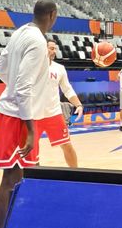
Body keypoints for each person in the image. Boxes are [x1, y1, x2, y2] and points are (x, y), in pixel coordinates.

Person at [0, 0, 57, 228]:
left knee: (17, 178)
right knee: (12, 179)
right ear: (52, 15)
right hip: (19, 118)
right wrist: (31, 130)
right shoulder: (38, 41)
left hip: (12, 112)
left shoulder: (20, 32)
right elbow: (23, 87)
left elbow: (0, 68)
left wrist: (12, 89)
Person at [39, 40, 83, 168]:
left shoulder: (59, 68)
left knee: (67, 145)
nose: (54, 51)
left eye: (55, 49)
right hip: (34, 114)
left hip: (53, 113)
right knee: (30, 148)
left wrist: (78, 105)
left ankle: (76, 174)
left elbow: (67, 89)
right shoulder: (32, 66)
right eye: (51, 48)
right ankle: (31, 177)